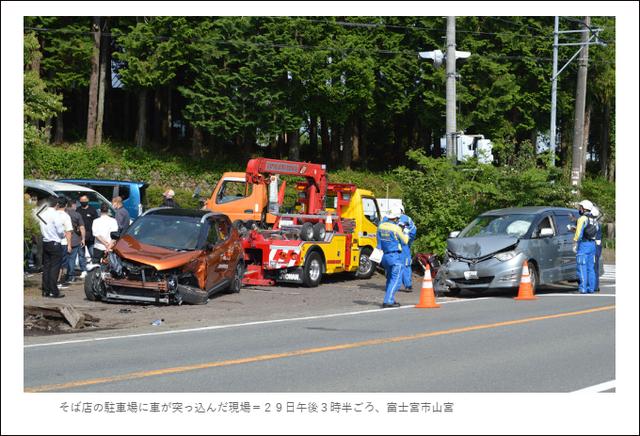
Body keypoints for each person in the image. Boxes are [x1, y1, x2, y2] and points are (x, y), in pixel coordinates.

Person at [376, 206, 409, 308]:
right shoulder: (396, 228)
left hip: (385, 256)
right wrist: (405, 231)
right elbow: (405, 241)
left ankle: (391, 299)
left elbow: (379, 241)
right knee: (396, 280)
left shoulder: (381, 226)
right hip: (394, 256)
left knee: (390, 278)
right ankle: (388, 300)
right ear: (396, 218)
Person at [38, 197, 71, 298]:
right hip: (55, 242)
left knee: (46, 267)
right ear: (56, 204)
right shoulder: (55, 214)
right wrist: (62, 236)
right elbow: (60, 230)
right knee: (55, 268)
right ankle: (54, 291)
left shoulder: (42, 213)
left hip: (45, 241)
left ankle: (45, 290)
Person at [573, 199, 597, 294]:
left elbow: (578, 234)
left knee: (581, 266)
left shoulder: (582, 218)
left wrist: (575, 243)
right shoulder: (593, 219)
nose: (580, 209)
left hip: (584, 245)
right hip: (592, 245)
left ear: (584, 208)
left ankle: (583, 288)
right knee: (590, 268)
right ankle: (591, 288)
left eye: (580, 207)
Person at [64, 198, 86, 283]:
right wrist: (83, 239)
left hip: (63, 239)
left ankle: (63, 275)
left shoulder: (63, 214)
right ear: (73, 205)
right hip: (75, 239)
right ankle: (71, 276)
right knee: (72, 258)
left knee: (64, 259)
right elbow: (82, 228)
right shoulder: (77, 215)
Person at [398, 209, 417, 292]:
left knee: (393, 265)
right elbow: (413, 231)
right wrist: (409, 242)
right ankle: (407, 285)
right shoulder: (407, 219)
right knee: (406, 264)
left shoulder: (386, 219)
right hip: (404, 244)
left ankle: (393, 284)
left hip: (391, 245)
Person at [77, 195, 99, 266]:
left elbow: (96, 222)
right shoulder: (78, 210)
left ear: (88, 200)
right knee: (81, 255)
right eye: (81, 201)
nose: (83, 202)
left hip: (91, 237)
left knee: (93, 254)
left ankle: (95, 268)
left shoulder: (92, 210)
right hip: (80, 236)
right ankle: (83, 269)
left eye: (84, 200)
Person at [591, 206, 603, 293]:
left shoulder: (595, 224)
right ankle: (594, 285)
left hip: (594, 246)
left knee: (593, 267)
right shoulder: (596, 223)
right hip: (596, 246)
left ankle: (594, 285)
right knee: (594, 266)